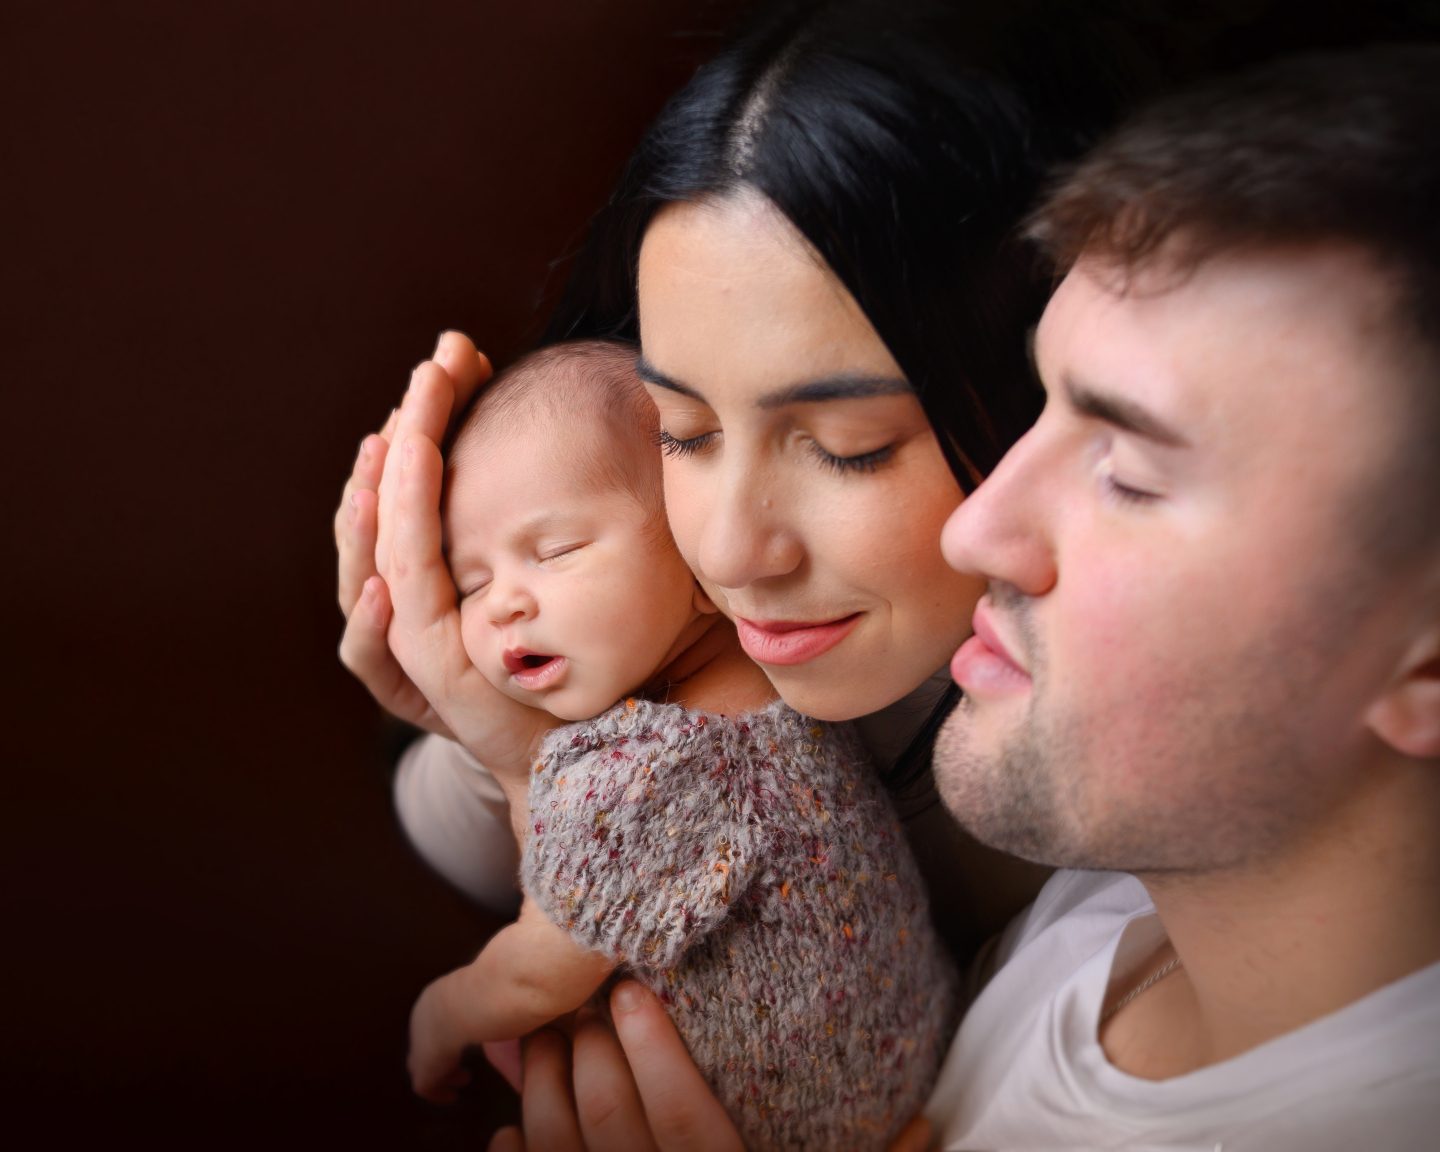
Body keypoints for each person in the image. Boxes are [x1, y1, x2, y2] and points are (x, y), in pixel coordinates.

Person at [404, 339, 956, 1151]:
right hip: (906, 1060)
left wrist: (439, 1012)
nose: (502, 607)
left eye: (554, 552)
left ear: (697, 560)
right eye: (471, 583)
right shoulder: (770, 691)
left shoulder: (659, 766)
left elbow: (538, 970)